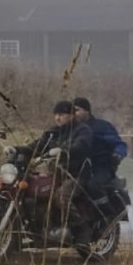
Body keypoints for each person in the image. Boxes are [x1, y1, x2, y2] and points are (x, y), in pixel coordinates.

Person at [29, 99, 95, 231]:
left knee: (61, 197)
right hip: (55, 174)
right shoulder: (53, 132)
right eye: (55, 114)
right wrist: (17, 150)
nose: (57, 118)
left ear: (72, 115)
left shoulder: (83, 130)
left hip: (76, 175)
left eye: (61, 114)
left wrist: (63, 150)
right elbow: (37, 146)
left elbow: (80, 146)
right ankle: (44, 226)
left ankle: (81, 229)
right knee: (35, 191)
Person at [72, 96, 128, 205]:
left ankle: (107, 212)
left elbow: (118, 144)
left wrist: (118, 154)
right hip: (77, 167)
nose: (74, 114)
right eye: (72, 111)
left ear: (87, 110)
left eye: (77, 110)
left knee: (92, 185)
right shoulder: (70, 128)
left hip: (100, 167)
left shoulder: (102, 126)